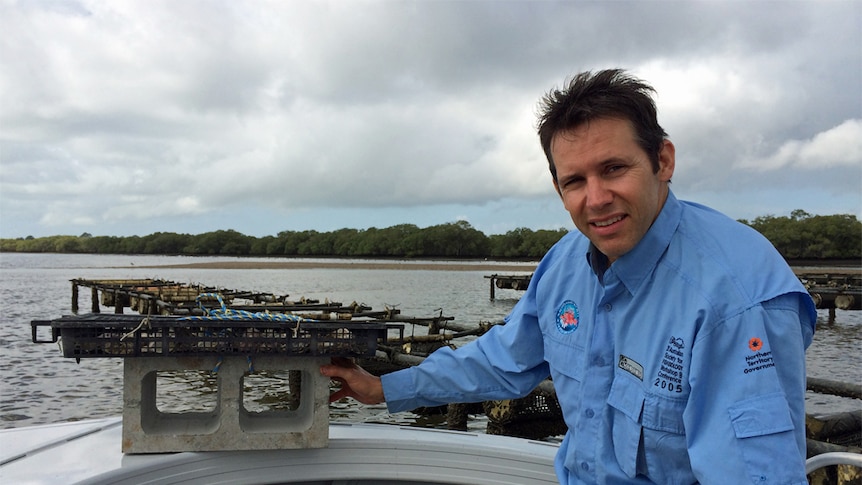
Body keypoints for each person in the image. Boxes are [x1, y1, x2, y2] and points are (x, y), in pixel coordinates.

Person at [321, 69, 817, 484]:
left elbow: (753, 475)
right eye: (575, 181)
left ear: (662, 161)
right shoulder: (564, 264)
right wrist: (385, 389)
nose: (596, 198)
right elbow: (503, 359)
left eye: (614, 168)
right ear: (558, 187)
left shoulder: (737, 300)